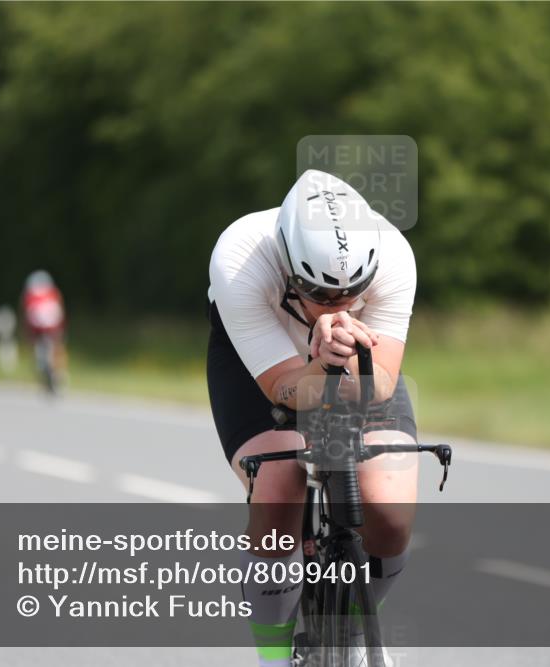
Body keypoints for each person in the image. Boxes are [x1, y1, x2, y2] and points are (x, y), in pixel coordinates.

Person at [207, 169, 418, 666]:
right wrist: (319, 362)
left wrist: (339, 362)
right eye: (321, 296)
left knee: (388, 511)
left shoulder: (395, 256)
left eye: (352, 296)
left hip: (354, 363)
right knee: (279, 485)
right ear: (288, 268)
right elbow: (283, 390)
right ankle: (275, 656)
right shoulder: (240, 257)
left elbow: (380, 384)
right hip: (265, 362)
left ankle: (357, 629)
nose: (340, 307)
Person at [21, 270, 68, 391]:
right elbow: (60, 312)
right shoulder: (53, 293)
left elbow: (26, 316)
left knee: (39, 349)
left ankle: (46, 375)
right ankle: (60, 374)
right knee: (57, 346)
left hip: (38, 328)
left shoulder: (30, 296)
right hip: (53, 326)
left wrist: (28, 335)